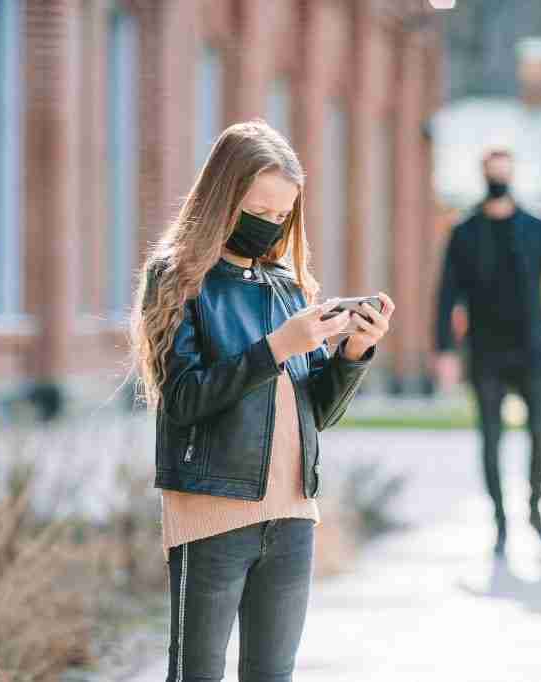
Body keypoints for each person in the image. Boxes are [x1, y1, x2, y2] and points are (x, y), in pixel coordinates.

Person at [131, 120, 394, 682]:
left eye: (283, 215)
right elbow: (181, 399)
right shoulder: (178, 279)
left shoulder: (287, 286)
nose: (272, 225)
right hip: (212, 512)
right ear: (225, 198)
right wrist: (275, 348)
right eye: (261, 211)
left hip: (293, 514)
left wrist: (353, 352)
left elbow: (317, 413)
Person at [433, 147, 541, 556]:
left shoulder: (536, 227)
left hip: (531, 348)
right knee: (491, 438)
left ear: (512, 173)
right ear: (483, 174)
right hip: (485, 351)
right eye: (492, 170)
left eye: (504, 170)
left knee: (540, 433)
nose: (499, 176)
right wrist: (443, 349)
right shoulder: (464, 231)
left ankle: (534, 508)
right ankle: (500, 522)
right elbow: (445, 294)